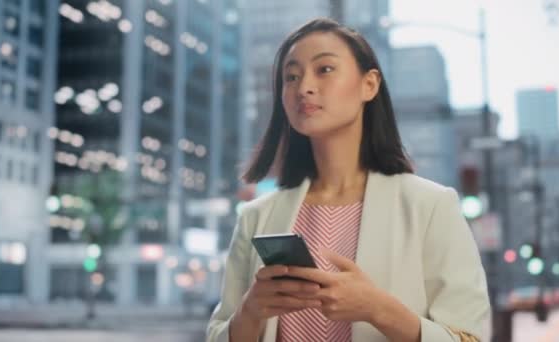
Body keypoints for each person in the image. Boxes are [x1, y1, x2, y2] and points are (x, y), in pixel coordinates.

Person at [207, 18, 490, 342]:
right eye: (291, 76)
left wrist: (379, 309)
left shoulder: (430, 206)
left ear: (369, 85)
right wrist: (252, 309)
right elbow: (218, 335)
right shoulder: (257, 217)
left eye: (324, 69)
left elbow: (470, 338)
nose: (304, 87)